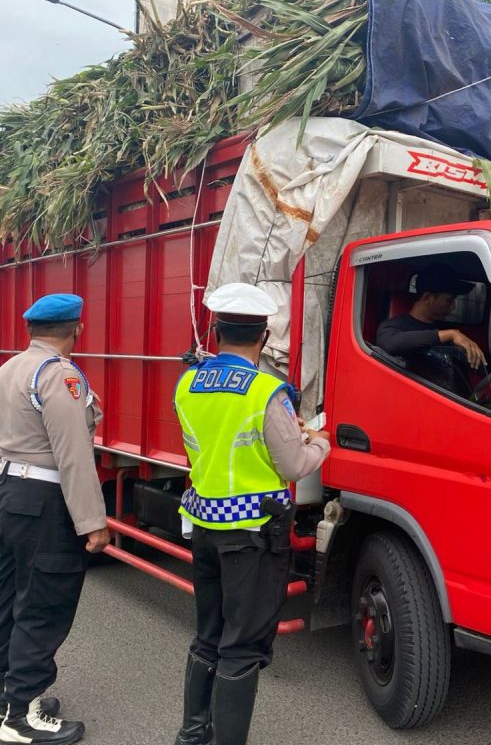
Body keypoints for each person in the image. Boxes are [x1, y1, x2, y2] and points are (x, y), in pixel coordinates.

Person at [173, 282, 331, 745]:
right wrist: (319, 441)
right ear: (263, 337)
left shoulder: (188, 382)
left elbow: (213, 441)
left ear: (217, 329)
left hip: (204, 527)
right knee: (241, 647)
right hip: (253, 536)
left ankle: (193, 732)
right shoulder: (265, 391)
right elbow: (294, 465)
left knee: (208, 634)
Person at [0, 293, 110, 745]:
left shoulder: (8, 370)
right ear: (77, 329)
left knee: (13, 597)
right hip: (43, 502)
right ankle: (22, 717)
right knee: (43, 605)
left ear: (31, 329)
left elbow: (2, 441)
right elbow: (73, 455)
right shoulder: (59, 375)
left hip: (7, 493)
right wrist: (92, 521)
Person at [375, 263, 486, 392]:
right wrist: (449, 334)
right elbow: (390, 344)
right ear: (428, 298)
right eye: (449, 300)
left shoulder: (444, 330)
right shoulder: (393, 326)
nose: (453, 307)